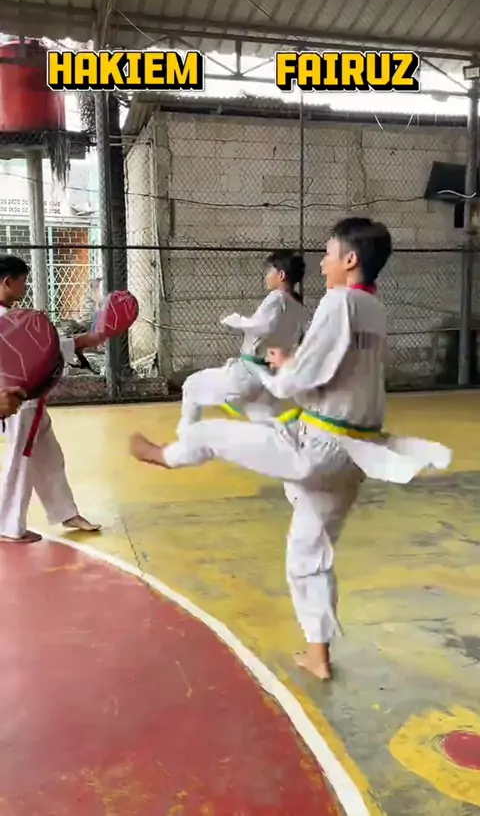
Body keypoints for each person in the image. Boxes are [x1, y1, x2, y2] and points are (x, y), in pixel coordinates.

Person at [129, 218, 452, 681]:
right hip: (354, 454)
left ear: (350, 260)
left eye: (328, 254)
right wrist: (293, 364)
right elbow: (339, 367)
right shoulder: (374, 309)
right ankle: (319, 655)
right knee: (308, 552)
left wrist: (283, 368)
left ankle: (166, 456)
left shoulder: (338, 302)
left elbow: (304, 377)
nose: (320, 264)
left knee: (211, 434)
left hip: (316, 447)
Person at [0, 254, 103, 544]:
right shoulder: (6, 321)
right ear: (7, 282)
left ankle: (66, 512)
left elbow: (44, 346)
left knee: (49, 456)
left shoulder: (10, 317)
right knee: (20, 460)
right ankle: (7, 525)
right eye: (22, 282)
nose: (25, 287)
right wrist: (86, 340)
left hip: (29, 401)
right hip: (17, 401)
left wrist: (88, 339)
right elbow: (39, 350)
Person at [176, 250, 309, 436]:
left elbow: (261, 326)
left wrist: (233, 320)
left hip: (246, 375)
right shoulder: (300, 308)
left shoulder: (277, 297)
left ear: (281, 275)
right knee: (268, 430)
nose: (266, 275)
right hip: (268, 379)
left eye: (269, 270)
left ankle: (187, 437)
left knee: (191, 385)